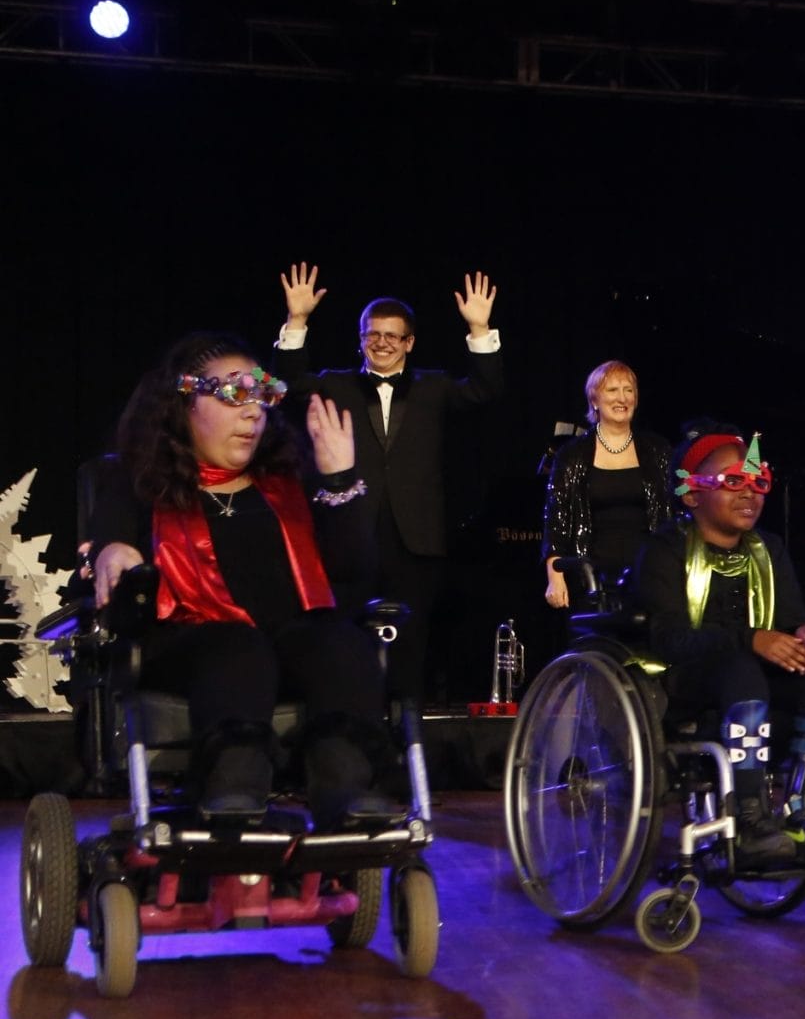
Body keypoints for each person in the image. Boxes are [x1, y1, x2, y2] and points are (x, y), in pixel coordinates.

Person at [87, 333, 401, 827]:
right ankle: (232, 783)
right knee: (239, 646)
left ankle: (344, 786)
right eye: (235, 394)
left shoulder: (287, 481)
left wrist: (339, 479)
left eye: (262, 396)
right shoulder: (141, 481)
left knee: (338, 642)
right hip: (188, 642)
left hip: (285, 638)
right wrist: (113, 546)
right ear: (184, 403)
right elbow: (112, 530)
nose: (254, 412)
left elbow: (353, 570)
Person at [274, 262, 507, 701]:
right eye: (372, 334)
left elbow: (485, 389)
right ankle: (351, 729)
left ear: (409, 342)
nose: (381, 343)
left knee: (411, 647)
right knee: (344, 643)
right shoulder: (335, 385)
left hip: (416, 539)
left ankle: (408, 737)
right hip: (350, 535)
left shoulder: (433, 387)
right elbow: (283, 386)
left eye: (392, 335)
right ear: (361, 339)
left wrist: (480, 329)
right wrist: (297, 320)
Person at [629, 426, 805, 865]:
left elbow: (789, 622)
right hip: (688, 676)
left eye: (758, 483)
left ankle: (804, 805)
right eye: (733, 482)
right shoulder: (664, 549)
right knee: (741, 666)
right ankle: (749, 813)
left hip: (753, 673)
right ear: (693, 495)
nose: (749, 493)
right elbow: (669, 638)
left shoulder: (768, 548)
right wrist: (751, 639)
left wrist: (803, 640)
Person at [542, 360, 673, 607]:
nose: (622, 398)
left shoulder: (658, 450)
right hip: (591, 580)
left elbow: (675, 512)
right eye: (612, 390)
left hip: (649, 579)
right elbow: (556, 520)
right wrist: (555, 576)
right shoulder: (572, 455)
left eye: (629, 390)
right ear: (594, 400)